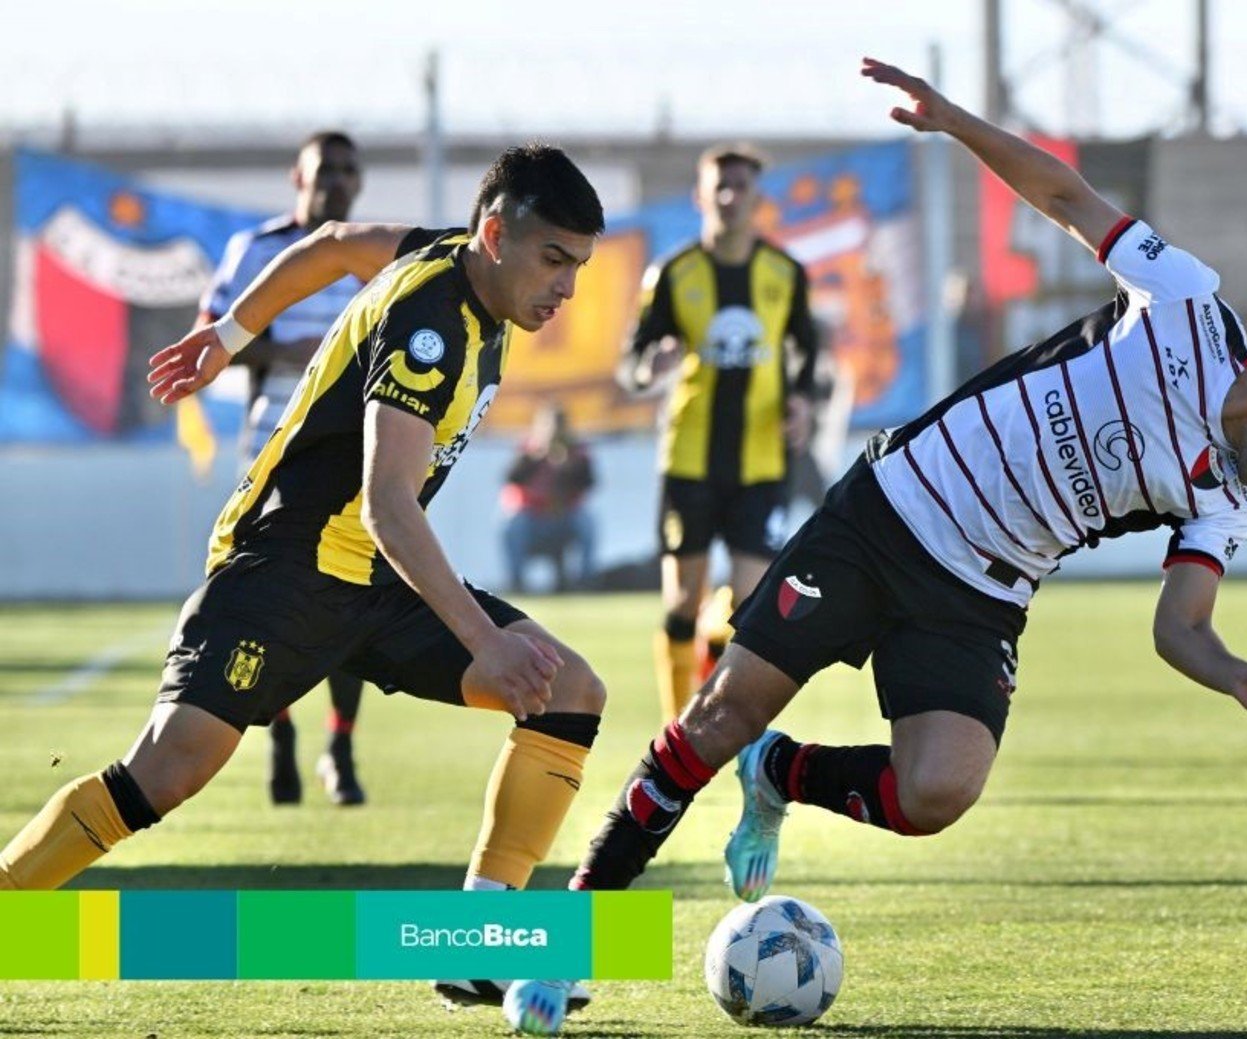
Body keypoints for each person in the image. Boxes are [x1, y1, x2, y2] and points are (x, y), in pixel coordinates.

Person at [540, 59, 1247, 1027]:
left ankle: (782, 772)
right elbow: (1064, 194)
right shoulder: (1188, 308)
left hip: (978, 594)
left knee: (937, 792)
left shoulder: (1227, 496)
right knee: (715, 715)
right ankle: (572, 938)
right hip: (886, 515)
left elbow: (1181, 625)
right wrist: (955, 122)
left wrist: (1229, 669)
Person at [0, 145, 605, 1027]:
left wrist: (230, 333)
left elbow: (329, 244)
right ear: (496, 233)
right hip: (283, 570)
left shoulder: (444, 257)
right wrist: (486, 640)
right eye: (554, 260)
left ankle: (482, 939)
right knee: (165, 773)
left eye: (579, 267)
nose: (566, 289)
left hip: (372, 581)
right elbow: (389, 504)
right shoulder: (430, 322)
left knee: (570, 692)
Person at [197, 129, 372, 806]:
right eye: (323, 169)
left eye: (346, 171)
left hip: (356, 445)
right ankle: (280, 736)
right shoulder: (257, 251)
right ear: (295, 179)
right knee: (272, 597)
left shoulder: (372, 254)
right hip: (273, 438)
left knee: (351, 589)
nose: (334, 181)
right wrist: (278, 342)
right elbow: (212, 337)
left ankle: (342, 744)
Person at [618, 142, 819, 723]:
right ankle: (674, 729)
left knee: (746, 610)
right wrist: (647, 367)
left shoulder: (785, 274)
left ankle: (713, 711)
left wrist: (803, 401)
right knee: (681, 602)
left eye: (741, 186)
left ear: (758, 198)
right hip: (689, 458)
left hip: (761, 460)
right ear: (700, 196)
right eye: (720, 186)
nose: (731, 196)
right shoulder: (675, 274)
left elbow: (807, 353)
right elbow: (630, 362)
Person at [500, 403, 598, 593]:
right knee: (512, 523)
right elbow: (511, 477)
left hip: (563, 517)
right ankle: (517, 583)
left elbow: (589, 482)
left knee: (587, 522)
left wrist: (569, 465)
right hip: (532, 519)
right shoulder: (527, 449)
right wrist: (537, 456)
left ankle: (586, 581)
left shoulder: (577, 451)